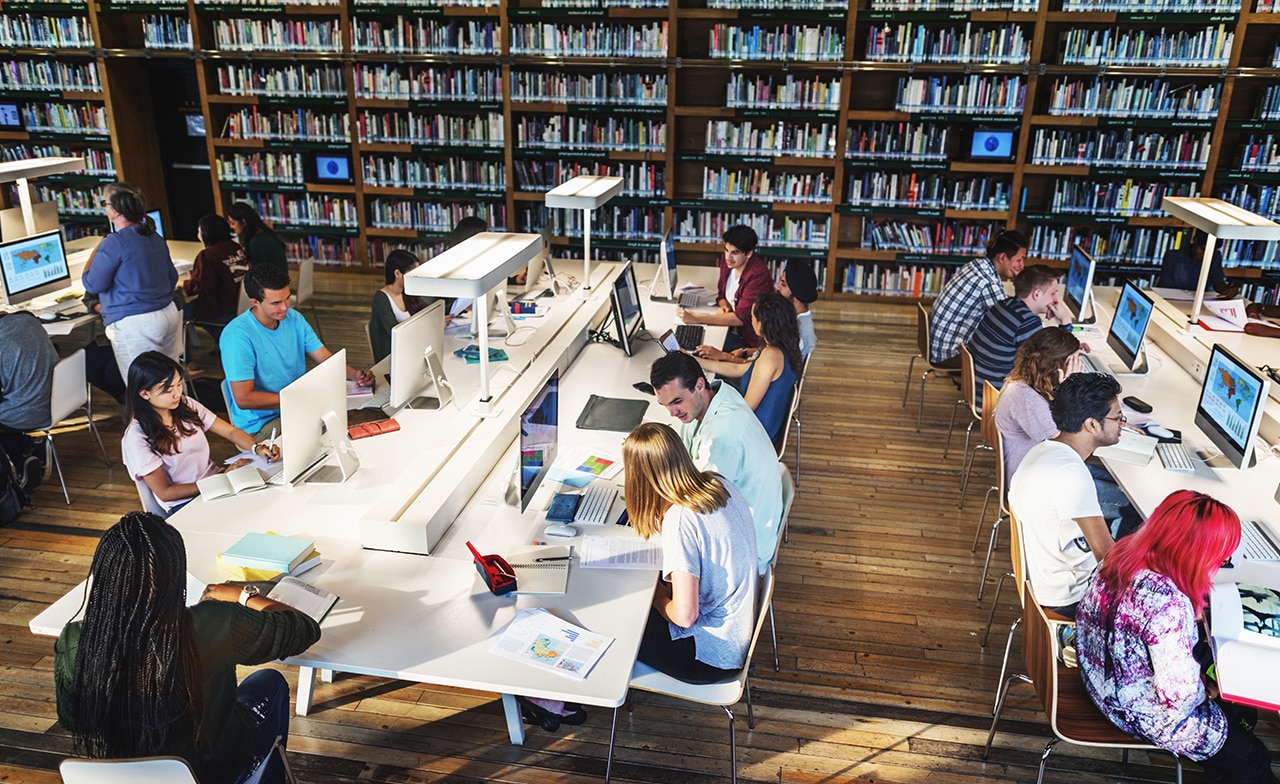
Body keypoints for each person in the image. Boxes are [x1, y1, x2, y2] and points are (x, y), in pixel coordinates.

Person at [54, 511, 321, 784]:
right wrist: (242, 595)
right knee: (270, 682)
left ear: (106, 579)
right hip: (213, 771)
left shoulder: (75, 640)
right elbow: (303, 628)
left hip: (126, 775)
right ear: (174, 574)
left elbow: (73, 720)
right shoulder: (213, 623)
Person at [1076, 491, 1279, 783]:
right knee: (1253, 758)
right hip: (1139, 712)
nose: (1221, 563)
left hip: (1099, 680)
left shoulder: (1120, 555)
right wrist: (1206, 691)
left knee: (1235, 723)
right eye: (1221, 557)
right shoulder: (1168, 604)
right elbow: (1179, 698)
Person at [625, 422, 757, 684]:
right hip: (737, 632)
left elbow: (685, 616)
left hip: (708, 657)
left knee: (622, 615)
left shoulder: (680, 519)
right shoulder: (717, 483)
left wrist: (659, 599)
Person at [650, 351, 783, 574]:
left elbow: (700, 508)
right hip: (740, 518)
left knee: (655, 558)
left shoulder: (722, 440)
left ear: (699, 384)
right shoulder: (717, 396)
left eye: (677, 402)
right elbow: (686, 455)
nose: (672, 413)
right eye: (665, 405)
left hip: (746, 549)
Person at [1007, 372, 1125, 619]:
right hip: (1069, 597)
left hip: (1043, 580)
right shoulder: (1071, 473)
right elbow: (1107, 558)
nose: (1122, 423)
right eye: (1117, 417)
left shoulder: (1042, 450)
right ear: (1092, 424)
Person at [220, 263, 373, 438]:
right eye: (276, 303)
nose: (285, 307)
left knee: (357, 418)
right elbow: (244, 398)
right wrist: (297, 400)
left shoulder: (294, 318)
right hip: (262, 425)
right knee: (337, 430)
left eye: (287, 298)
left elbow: (323, 357)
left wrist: (355, 375)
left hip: (296, 407)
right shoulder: (237, 337)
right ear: (254, 302)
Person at [122, 352, 280, 514]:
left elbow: (230, 431)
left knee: (273, 500)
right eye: (168, 390)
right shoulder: (136, 438)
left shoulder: (184, 405)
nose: (177, 393)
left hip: (217, 484)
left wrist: (257, 448)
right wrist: (219, 480)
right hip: (186, 503)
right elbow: (166, 493)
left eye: (178, 384)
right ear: (144, 394)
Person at [81, 182, 181, 381]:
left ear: (116, 210)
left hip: (136, 324)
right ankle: (184, 413)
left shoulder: (114, 242)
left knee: (143, 388)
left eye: (105, 203)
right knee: (171, 381)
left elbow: (92, 284)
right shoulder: (154, 236)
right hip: (167, 315)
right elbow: (172, 278)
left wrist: (97, 251)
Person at [691, 292, 802, 443]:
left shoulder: (770, 356)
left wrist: (713, 414)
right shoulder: (782, 347)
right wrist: (693, 360)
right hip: (765, 427)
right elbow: (737, 369)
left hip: (756, 435)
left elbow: (747, 407)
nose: (751, 321)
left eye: (753, 318)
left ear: (763, 323)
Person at [928, 229, 1028, 368]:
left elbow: (1003, 302)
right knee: (1010, 350)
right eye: (1019, 260)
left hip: (937, 346)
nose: (1022, 266)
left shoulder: (977, 265)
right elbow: (1009, 320)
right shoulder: (988, 282)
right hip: (949, 355)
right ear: (1002, 257)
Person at [966, 264, 1063, 408]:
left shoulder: (1003, 305)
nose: (1055, 300)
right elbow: (1049, 365)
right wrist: (1065, 323)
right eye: (1053, 293)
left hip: (977, 389)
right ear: (1036, 294)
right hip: (993, 401)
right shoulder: (1028, 322)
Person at [678, 225, 774, 352]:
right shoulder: (726, 261)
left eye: (735, 252)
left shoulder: (758, 276)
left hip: (749, 342)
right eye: (726, 250)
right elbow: (722, 294)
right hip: (732, 329)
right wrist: (724, 305)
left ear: (749, 253)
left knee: (699, 351)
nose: (728, 257)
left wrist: (697, 318)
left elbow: (741, 318)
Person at [0, 311, 57, 491]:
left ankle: (22, 456)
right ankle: (33, 449)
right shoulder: (27, 318)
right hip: (58, 402)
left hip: (28, 413)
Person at [183, 214, 249, 328]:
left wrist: (182, 283)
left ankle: (186, 344)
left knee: (177, 314)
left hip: (219, 309)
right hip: (240, 305)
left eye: (199, 231)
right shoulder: (236, 247)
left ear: (206, 234)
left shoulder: (207, 255)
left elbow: (201, 286)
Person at [368, 249, 426, 363]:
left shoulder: (407, 292)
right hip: (394, 359)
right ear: (397, 274)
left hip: (412, 350)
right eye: (412, 273)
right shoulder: (381, 298)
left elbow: (429, 309)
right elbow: (394, 332)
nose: (416, 277)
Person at [1158, 229, 1237, 297]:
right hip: (1173, 301)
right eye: (1203, 249)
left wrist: (1228, 290)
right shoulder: (1172, 257)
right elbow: (1165, 290)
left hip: (1199, 303)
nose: (1205, 255)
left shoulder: (1215, 257)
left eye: (1211, 251)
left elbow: (1218, 282)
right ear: (1194, 240)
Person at [226, 202, 288, 276]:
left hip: (272, 285)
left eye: (233, 223)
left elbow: (259, 275)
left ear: (243, 222)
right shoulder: (265, 234)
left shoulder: (256, 242)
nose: (231, 227)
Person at [777, 259, 818, 361]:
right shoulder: (792, 317)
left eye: (783, 284)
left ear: (796, 294)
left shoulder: (799, 334)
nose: (777, 287)